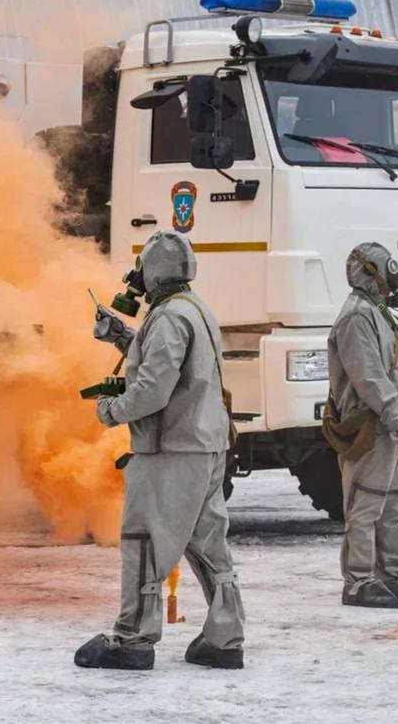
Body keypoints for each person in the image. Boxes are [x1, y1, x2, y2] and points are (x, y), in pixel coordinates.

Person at [75, 230, 247, 670]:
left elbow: (153, 389)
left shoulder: (169, 318)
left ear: (153, 271)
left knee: (144, 540)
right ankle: (224, 638)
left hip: (172, 450)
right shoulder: (193, 309)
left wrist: (111, 410)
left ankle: (133, 638)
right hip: (205, 446)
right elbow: (168, 363)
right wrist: (122, 336)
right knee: (208, 544)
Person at [327, 241, 398, 608]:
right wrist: (395, 416)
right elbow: (369, 378)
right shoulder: (356, 316)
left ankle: (391, 572)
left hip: (394, 425)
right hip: (371, 426)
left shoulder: (379, 313)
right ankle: (359, 580)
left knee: (391, 505)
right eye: (387, 271)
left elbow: (389, 367)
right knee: (365, 504)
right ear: (369, 273)